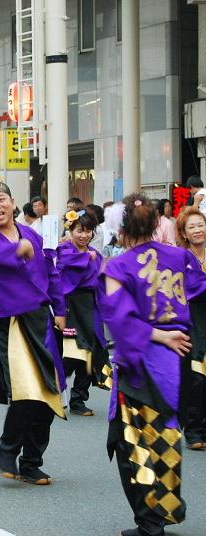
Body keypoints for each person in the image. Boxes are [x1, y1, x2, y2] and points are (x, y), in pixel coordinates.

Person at [101, 194, 206, 536]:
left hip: (144, 357)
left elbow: (120, 318)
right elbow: (197, 288)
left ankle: (150, 522)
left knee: (133, 440)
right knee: (167, 434)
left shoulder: (118, 266)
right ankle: (167, 509)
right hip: (180, 355)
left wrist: (160, 335)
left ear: (123, 230)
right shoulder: (181, 257)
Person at [0, 179, 66, 486]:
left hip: (40, 319)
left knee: (50, 394)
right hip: (9, 323)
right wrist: (19, 250)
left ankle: (31, 462)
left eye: (1, 199)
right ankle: (7, 448)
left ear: (13, 203)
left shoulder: (32, 235)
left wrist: (62, 310)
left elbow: (51, 272)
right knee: (26, 392)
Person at [57, 209, 109, 417]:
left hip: (91, 304)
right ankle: (55, 388)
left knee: (92, 351)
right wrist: (86, 258)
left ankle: (79, 398)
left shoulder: (95, 254)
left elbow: (103, 279)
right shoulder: (64, 250)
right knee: (71, 353)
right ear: (71, 230)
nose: (84, 235)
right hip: (70, 305)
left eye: (88, 231)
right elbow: (61, 274)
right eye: (79, 230)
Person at [177, 207, 206, 450]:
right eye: (192, 227)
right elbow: (190, 289)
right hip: (193, 320)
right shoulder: (181, 258)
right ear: (184, 233)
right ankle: (194, 429)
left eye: (200, 225)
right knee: (197, 376)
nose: (198, 230)